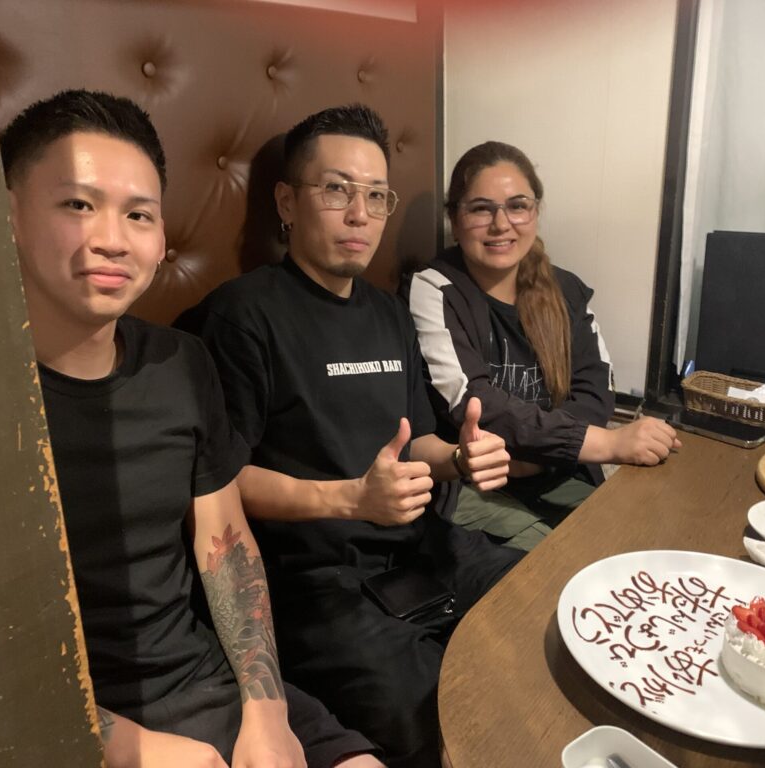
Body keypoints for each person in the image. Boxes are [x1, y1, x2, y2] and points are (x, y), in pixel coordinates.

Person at [0, 89, 382, 768]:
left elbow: (224, 543)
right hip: (61, 719)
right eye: (78, 204)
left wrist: (266, 713)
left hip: (204, 677)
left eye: (139, 214)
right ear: (8, 215)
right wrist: (134, 748)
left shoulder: (181, 362)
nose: (112, 239)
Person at [176, 105, 521, 768]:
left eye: (375, 196)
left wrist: (460, 458)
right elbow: (222, 480)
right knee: (450, 721)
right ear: (287, 202)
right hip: (316, 586)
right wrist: (352, 499)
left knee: (545, 609)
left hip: (424, 548)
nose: (360, 214)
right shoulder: (244, 315)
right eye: (337, 190)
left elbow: (416, 444)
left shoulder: (388, 314)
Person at [404, 141, 681, 551]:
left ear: (535, 211)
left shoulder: (565, 289)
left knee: (636, 537)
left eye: (517, 206)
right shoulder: (434, 288)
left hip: (557, 470)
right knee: (562, 558)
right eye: (481, 209)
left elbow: (595, 391)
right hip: (475, 484)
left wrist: (535, 458)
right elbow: (473, 401)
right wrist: (607, 444)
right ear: (455, 220)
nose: (501, 224)